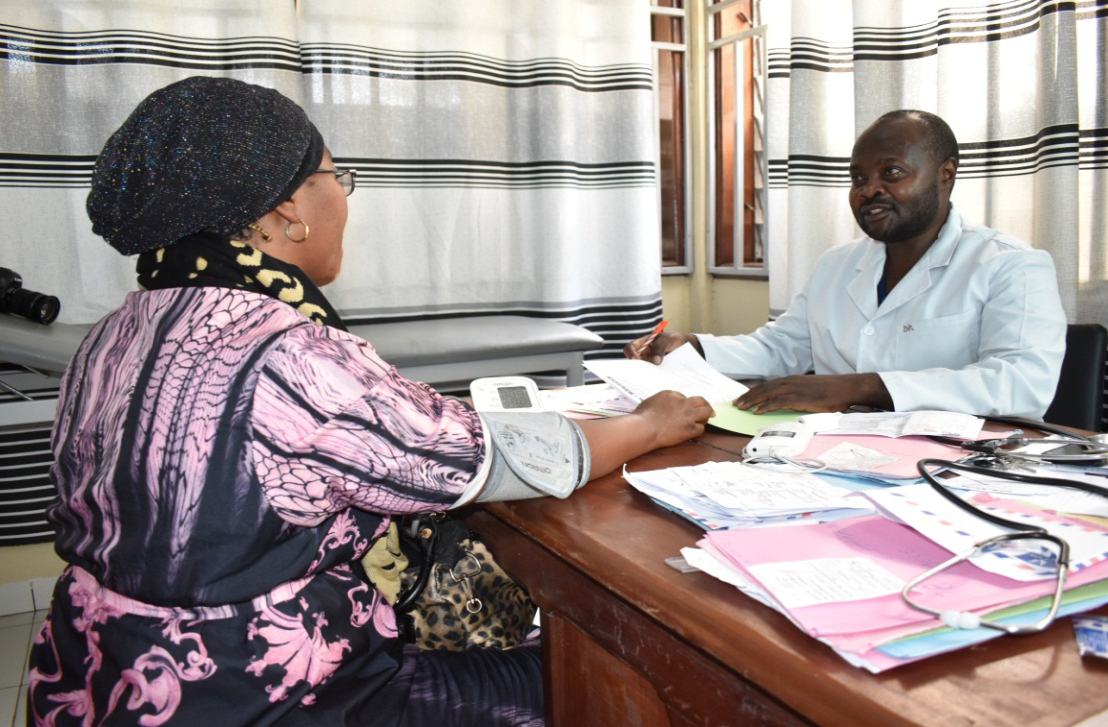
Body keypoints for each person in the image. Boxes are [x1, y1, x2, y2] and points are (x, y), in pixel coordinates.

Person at [26, 76, 713, 726]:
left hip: (98, 674)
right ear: (288, 208)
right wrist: (650, 423)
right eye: (334, 176)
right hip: (262, 694)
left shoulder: (116, 331)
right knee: (610, 683)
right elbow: (502, 458)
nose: (344, 198)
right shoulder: (286, 349)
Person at [626, 109, 1066, 420]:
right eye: (858, 178)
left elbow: (1021, 383)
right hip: (832, 450)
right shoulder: (837, 264)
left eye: (891, 172)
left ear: (945, 173)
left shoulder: (1010, 266)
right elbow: (783, 347)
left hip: (953, 465)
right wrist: (698, 347)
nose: (868, 190)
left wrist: (864, 386)